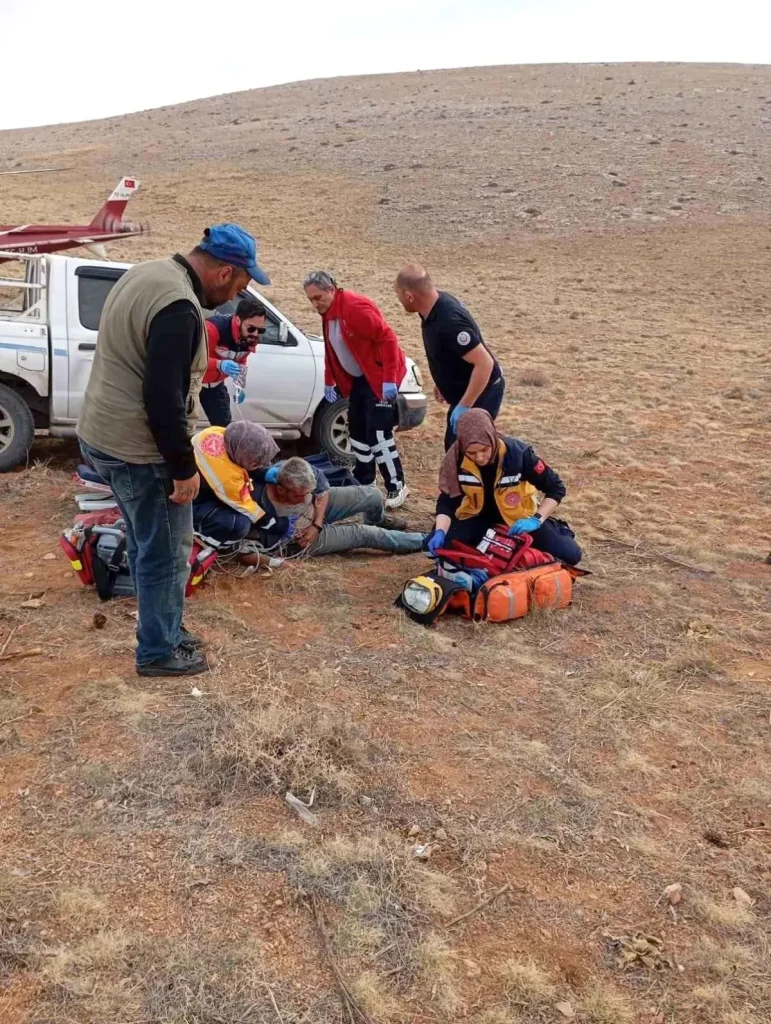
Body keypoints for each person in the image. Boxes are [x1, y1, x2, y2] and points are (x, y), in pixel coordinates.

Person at [77, 224, 271, 678]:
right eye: (240, 285)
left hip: (101, 434)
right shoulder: (180, 307)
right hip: (138, 449)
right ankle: (158, 651)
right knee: (166, 550)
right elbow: (162, 397)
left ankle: (164, 627)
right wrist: (184, 469)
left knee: (148, 542)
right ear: (224, 272)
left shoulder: (148, 272)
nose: (235, 298)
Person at [303, 270, 409, 509]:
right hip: (361, 379)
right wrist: (329, 381)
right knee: (357, 432)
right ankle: (365, 481)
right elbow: (332, 351)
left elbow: (388, 339)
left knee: (378, 434)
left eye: (318, 297)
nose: (315, 304)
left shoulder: (354, 308)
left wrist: (389, 379)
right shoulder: (328, 314)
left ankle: (397, 485)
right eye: (311, 300)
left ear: (331, 290)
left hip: (379, 377)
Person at [427, 409, 581, 565]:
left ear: (493, 439)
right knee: (435, 546)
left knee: (570, 554)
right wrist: (440, 531)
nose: (479, 457)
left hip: (519, 519)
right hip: (477, 517)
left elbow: (555, 488)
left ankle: (549, 532)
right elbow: (447, 501)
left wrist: (536, 520)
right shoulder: (455, 459)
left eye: (484, 450)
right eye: (471, 453)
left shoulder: (519, 454)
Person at [394, 264, 505, 450]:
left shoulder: (449, 322)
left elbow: (484, 363)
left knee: (469, 450)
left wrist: (465, 406)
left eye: (398, 294)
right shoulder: (432, 308)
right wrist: (443, 380)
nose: (398, 300)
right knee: (454, 447)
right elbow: (450, 351)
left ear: (409, 296)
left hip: (483, 391)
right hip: (465, 391)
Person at [249, 457, 425, 557]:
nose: (304, 498)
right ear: (280, 489)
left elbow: (322, 490)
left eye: (307, 493)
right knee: (366, 534)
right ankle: (426, 541)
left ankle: (378, 520)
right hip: (302, 538)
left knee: (374, 495)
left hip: (317, 513)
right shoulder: (256, 504)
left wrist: (317, 524)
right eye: (299, 495)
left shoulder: (294, 467)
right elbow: (255, 545)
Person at [192, 421, 279, 543]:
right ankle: (203, 538)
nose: (260, 464)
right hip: (187, 503)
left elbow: (236, 461)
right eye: (256, 462)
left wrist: (264, 472)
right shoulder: (228, 480)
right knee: (238, 524)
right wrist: (271, 523)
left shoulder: (215, 433)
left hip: (186, 481)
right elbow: (248, 508)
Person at [199, 297, 267, 427]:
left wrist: (239, 386)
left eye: (260, 330)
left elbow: (242, 360)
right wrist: (219, 364)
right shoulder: (212, 329)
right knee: (182, 426)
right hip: (192, 383)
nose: (255, 334)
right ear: (237, 320)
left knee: (224, 428)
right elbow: (193, 359)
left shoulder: (250, 338)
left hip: (215, 385)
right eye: (251, 328)